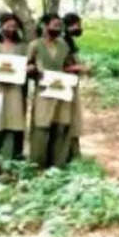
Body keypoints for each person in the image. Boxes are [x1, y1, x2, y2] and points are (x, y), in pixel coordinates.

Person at [28, 13, 86, 169]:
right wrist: (32, 70)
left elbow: (66, 65)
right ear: (45, 26)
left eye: (59, 26)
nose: (57, 29)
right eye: (54, 25)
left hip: (62, 89)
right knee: (42, 126)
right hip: (44, 90)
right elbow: (26, 66)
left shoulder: (63, 46)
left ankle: (58, 163)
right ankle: (37, 164)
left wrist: (77, 68)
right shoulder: (35, 45)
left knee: (60, 125)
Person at [0, 12, 31, 170]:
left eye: (14, 26)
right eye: (7, 26)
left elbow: (32, 65)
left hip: (14, 91)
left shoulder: (23, 47)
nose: (11, 29)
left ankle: (8, 163)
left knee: (11, 126)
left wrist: (27, 69)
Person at [63, 12, 87, 161]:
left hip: (72, 84)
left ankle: (74, 151)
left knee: (74, 118)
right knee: (70, 118)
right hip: (65, 84)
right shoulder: (63, 42)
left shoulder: (69, 41)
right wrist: (78, 68)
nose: (79, 28)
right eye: (77, 25)